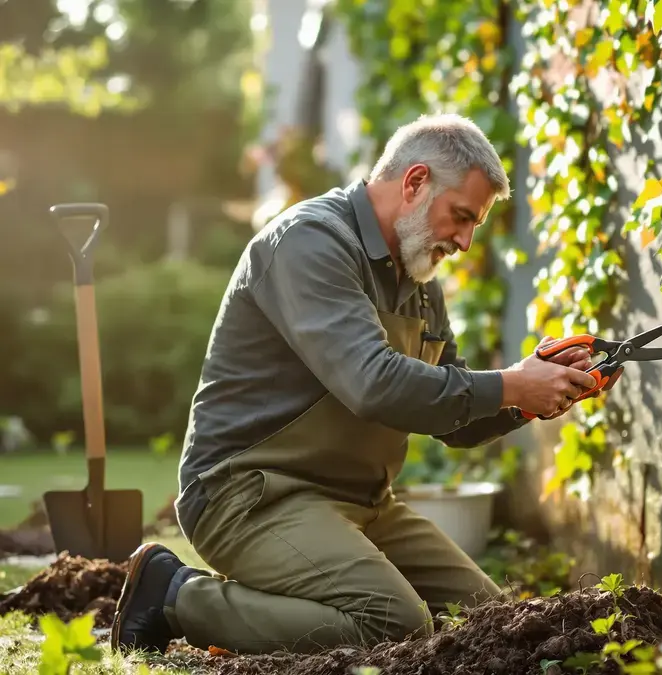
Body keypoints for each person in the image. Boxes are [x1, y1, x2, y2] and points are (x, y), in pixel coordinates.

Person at [109, 114, 598, 655]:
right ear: (414, 183)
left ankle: (272, 597)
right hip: (249, 493)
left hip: (362, 503)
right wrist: (510, 385)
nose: (463, 242)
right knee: (395, 623)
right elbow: (373, 384)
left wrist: (541, 391)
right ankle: (174, 596)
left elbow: (451, 416)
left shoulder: (417, 276)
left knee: (490, 623)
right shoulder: (310, 243)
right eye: (461, 217)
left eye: (473, 226)